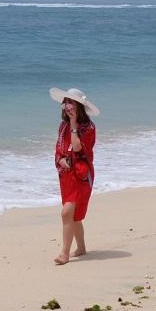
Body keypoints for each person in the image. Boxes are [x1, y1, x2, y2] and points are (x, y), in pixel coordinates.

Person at [49, 87, 99, 265]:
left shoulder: (89, 128)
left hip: (81, 175)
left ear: (79, 106)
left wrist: (73, 124)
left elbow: (78, 148)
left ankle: (64, 253)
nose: (67, 106)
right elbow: (59, 148)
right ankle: (82, 248)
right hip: (66, 175)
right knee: (74, 215)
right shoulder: (62, 126)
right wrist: (60, 160)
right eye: (65, 103)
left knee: (66, 212)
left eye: (71, 103)